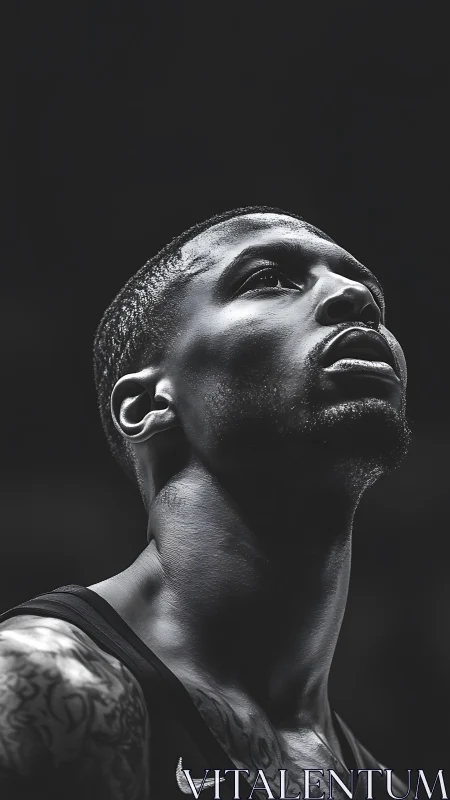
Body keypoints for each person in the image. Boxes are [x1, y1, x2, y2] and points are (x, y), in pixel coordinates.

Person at [0, 207, 411, 800]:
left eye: (368, 290)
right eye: (268, 278)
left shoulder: (385, 786)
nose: (353, 295)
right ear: (147, 405)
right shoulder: (44, 687)